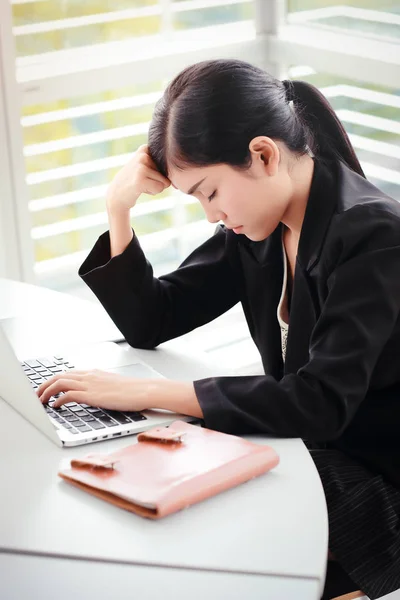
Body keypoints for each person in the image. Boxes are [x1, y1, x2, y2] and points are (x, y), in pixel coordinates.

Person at [37, 59, 400, 599]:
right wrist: (118, 209)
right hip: (312, 454)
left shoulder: (373, 235)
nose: (210, 214)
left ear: (262, 154)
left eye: (209, 192)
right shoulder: (260, 228)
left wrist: (152, 393)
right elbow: (153, 319)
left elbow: (319, 400)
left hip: (378, 480)